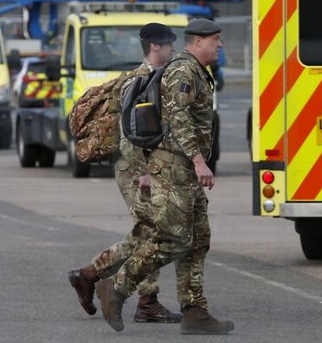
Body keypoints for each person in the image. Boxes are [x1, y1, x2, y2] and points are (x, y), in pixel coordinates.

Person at [96, 19, 233, 335]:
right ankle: (115, 288)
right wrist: (200, 162)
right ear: (197, 41)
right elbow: (179, 118)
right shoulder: (183, 72)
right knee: (174, 239)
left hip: (182, 168)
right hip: (172, 167)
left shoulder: (196, 72)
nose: (220, 45)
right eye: (215, 39)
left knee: (198, 239)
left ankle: (195, 311)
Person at [67, 23, 179, 323]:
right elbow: (128, 132)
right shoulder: (139, 81)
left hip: (145, 166)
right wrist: (142, 171)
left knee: (147, 232)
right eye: (169, 44)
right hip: (134, 168)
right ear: (154, 47)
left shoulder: (155, 77)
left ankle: (90, 276)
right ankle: (144, 301)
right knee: (151, 232)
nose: (172, 49)